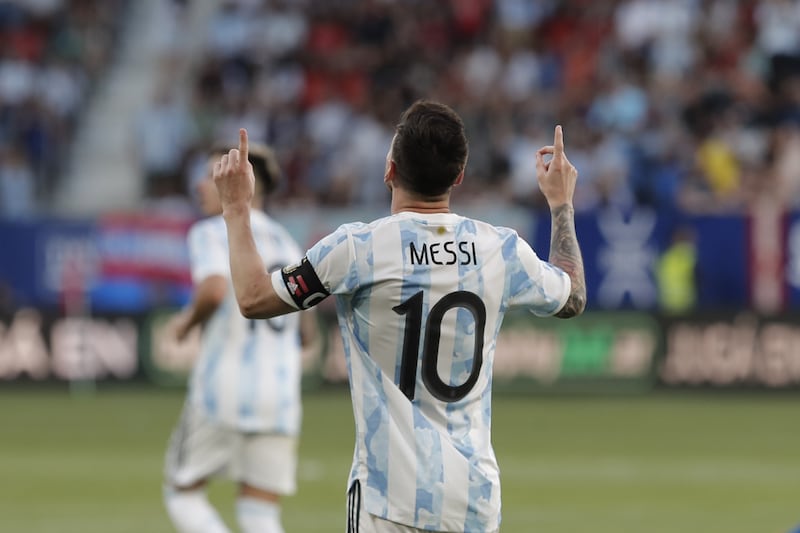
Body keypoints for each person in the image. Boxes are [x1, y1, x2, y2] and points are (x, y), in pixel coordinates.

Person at [213, 100, 586, 532]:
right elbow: (572, 295)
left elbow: (254, 298)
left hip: (388, 501)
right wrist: (561, 204)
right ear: (458, 177)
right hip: (473, 501)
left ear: (389, 169)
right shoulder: (500, 249)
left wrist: (237, 208)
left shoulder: (356, 249)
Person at [162, 141, 320, 533]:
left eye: (211, 175)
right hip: (280, 397)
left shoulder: (213, 232)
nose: (201, 186)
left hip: (222, 389)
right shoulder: (287, 242)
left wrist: (185, 324)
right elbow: (308, 333)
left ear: (238, 185)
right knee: (259, 512)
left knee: (183, 494)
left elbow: (215, 289)